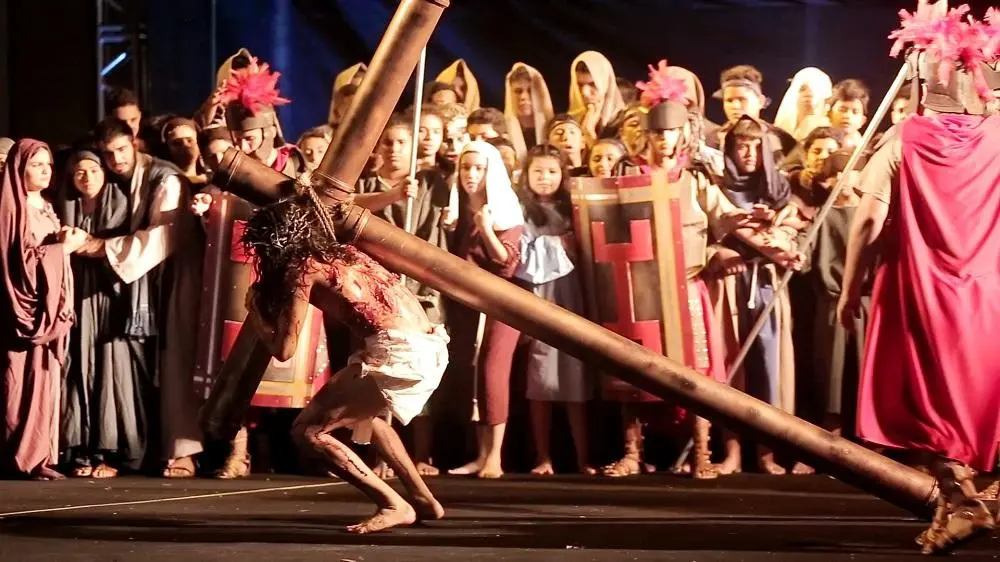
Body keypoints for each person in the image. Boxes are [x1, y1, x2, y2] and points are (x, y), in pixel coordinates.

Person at [839, 3, 1000, 552]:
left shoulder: (904, 137)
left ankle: (965, 504)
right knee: (974, 404)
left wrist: (848, 287)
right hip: (987, 299)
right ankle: (967, 504)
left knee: (920, 402)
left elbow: (865, 219)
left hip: (920, 293)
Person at [241, 190, 448, 534]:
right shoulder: (348, 252)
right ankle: (423, 499)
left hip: (400, 354)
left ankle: (392, 503)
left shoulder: (300, 269)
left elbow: (284, 349)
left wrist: (256, 314)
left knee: (308, 432)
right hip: (429, 344)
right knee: (367, 418)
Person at [93, 118, 205, 478]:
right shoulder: (111, 179)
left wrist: (100, 246)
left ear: (135, 144)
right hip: (135, 280)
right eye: (108, 154)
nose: (115, 160)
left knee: (175, 362)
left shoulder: (165, 178)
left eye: (121, 150)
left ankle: (183, 451)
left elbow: (162, 237)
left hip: (173, 273)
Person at [58, 150, 155, 478]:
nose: (86, 177)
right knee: (79, 370)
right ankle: (82, 451)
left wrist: (89, 246)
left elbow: (129, 248)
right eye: (79, 172)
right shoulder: (66, 207)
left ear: (104, 173)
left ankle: (111, 454)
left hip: (112, 298)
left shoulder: (122, 204)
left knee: (112, 372)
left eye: (93, 170)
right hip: (77, 300)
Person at [444, 141, 525, 479]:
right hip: (468, 306)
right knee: (474, 375)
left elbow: (506, 264)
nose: (471, 175)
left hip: (501, 304)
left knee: (493, 372)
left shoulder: (505, 210)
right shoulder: (457, 209)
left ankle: (495, 457)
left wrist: (487, 226)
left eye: (479, 168)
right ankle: (480, 455)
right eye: (466, 168)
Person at [0, 139, 80, 480]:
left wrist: (62, 243)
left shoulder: (47, 206)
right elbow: (19, 265)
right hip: (23, 312)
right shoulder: (9, 208)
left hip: (49, 310)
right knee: (16, 381)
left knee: (44, 379)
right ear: (19, 168)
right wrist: (62, 249)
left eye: (48, 164)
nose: (46, 171)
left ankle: (38, 456)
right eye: (36, 164)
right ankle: (14, 456)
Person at [515, 145, 593, 475]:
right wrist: (558, 244)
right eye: (538, 172)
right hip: (539, 296)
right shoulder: (521, 211)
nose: (545, 178)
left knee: (574, 376)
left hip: (570, 295)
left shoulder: (572, 209)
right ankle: (542, 456)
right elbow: (521, 254)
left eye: (551, 171)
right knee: (540, 377)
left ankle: (582, 456)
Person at [504, 63, 555, 161]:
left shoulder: (554, 130)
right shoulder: (503, 129)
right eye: (518, 91)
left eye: (530, 91)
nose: (523, 97)